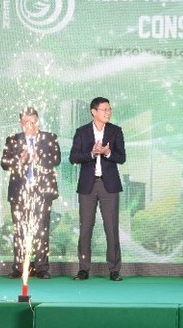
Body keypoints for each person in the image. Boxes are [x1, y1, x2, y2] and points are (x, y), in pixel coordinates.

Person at [0, 107, 60, 280]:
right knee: (20, 230)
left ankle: (42, 268)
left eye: (33, 121)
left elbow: (56, 159)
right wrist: (20, 160)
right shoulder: (13, 140)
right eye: (27, 122)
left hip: (42, 192)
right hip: (19, 192)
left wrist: (39, 159)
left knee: (41, 230)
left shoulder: (49, 138)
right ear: (21, 122)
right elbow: (4, 163)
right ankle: (19, 267)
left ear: (38, 121)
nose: (31, 125)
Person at [70, 97, 126, 281]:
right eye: (104, 109)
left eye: (109, 109)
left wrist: (107, 152)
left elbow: (121, 158)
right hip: (88, 186)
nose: (108, 112)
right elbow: (73, 158)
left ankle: (114, 269)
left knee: (111, 228)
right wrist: (92, 153)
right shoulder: (82, 132)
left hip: (109, 186)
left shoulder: (116, 131)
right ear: (93, 112)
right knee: (85, 228)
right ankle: (83, 269)